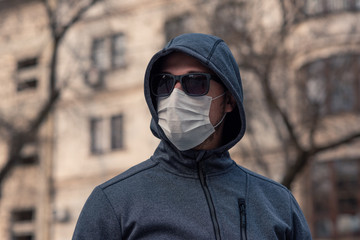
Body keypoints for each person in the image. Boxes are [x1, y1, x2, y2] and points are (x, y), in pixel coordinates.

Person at [72, 33, 312, 239]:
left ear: (228, 100)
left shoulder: (277, 203)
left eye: (195, 82)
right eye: (164, 83)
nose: (175, 95)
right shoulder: (113, 203)